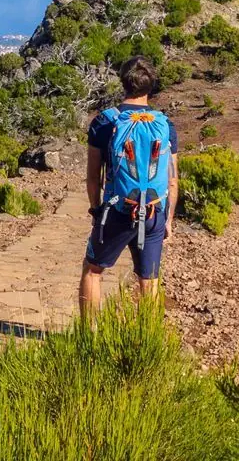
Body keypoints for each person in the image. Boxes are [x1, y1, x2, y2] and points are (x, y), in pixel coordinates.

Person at [79, 57, 179, 311]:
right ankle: (149, 341)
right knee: (150, 280)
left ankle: (88, 338)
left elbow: (94, 177)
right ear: (151, 85)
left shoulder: (105, 122)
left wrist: (96, 210)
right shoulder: (164, 124)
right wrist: (168, 219)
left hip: (118, 209)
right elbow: (173, 179)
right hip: (155, 210)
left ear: (123, 83)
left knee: (92, 270)